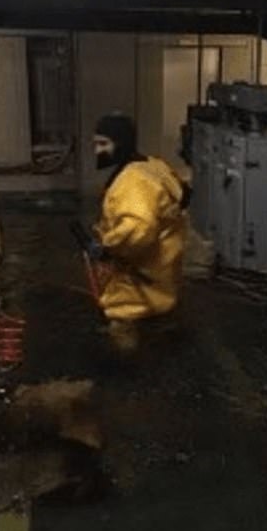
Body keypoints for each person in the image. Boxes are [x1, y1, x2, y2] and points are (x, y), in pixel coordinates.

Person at [91, 113, 187, 352]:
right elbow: (184, 195)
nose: (97, 151)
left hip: (136, 292)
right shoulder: (152, 166)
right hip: (162, 279)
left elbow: (138, 228)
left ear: (121, 143)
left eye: (104, 144)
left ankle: (128, 370)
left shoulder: (133, 182)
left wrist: (107, 246)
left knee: (124, 347)